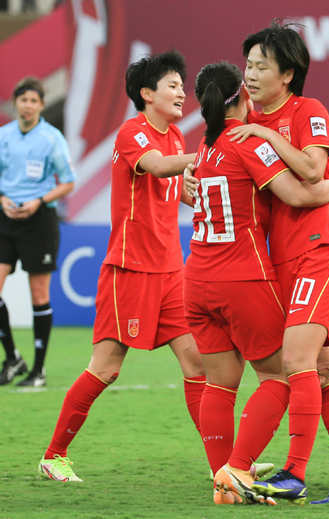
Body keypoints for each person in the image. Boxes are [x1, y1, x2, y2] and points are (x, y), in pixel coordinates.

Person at [180, 62, 329, 505]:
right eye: (250, 71)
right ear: (242, 95)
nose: (255, 76)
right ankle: (239, 470)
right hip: (243, 275)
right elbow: (298, 192)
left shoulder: (204, 147)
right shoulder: (246, 141)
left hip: (196, 278)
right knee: (280, 375)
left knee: (219, 383)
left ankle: (222, 479)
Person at [226, 23, 329, 504]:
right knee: (326, 373)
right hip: (284, 262)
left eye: (260, 66)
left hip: (320, 254)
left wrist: (265, 137)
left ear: (287, 73)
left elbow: (314, 169)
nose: (249, 75)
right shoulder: (247, 121)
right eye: (247, 64)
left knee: (294, 361)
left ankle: (293, 472)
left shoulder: (307, 111)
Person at [38, 51, 204, 483]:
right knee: (107, 368)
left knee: (197, 364)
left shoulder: (174, 139)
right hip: (131, 269)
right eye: (172, 85)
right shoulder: (134, 133)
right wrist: (203, 156)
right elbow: (158, 167)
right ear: (147, 94)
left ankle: (225, 464)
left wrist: (206, 192)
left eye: (182, 86)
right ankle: (54, 455)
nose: (182, 92)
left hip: (171, 271)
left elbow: (178, 188)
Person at [0, 77, 75, 387]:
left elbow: (68, 182)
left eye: (33, 100)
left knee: (39, 294)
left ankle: (38, 370)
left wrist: (38, 201)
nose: (28, 105)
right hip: (5, 217)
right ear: (16, 103)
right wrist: (2, 198)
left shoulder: (52, 138)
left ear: (42, 105)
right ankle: (13, 357)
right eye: (23, 100)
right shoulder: (3, 135)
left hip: (39, 219)